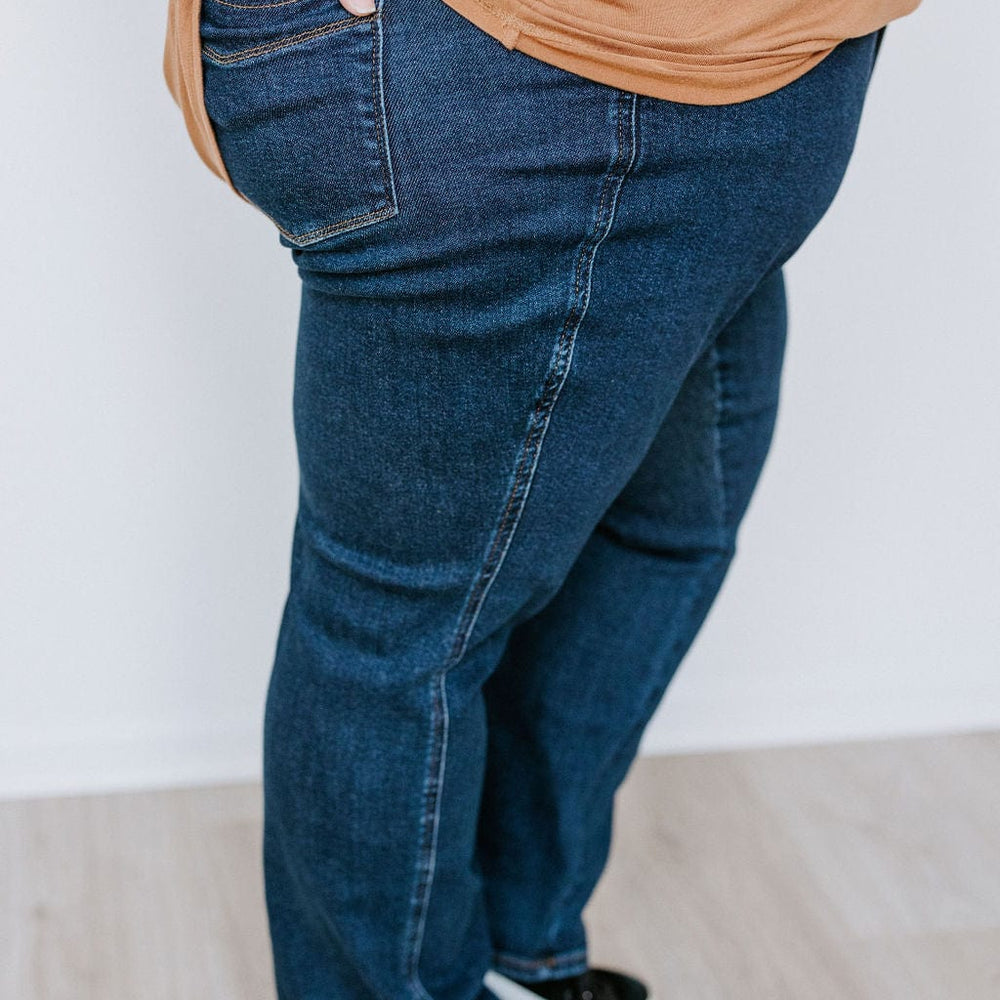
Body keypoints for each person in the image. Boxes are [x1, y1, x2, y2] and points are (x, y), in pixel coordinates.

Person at [163, 1, 921, 998]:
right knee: (402, 633)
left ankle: (516, 956)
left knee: (660, 529)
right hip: (532, 75)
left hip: (738, 74)